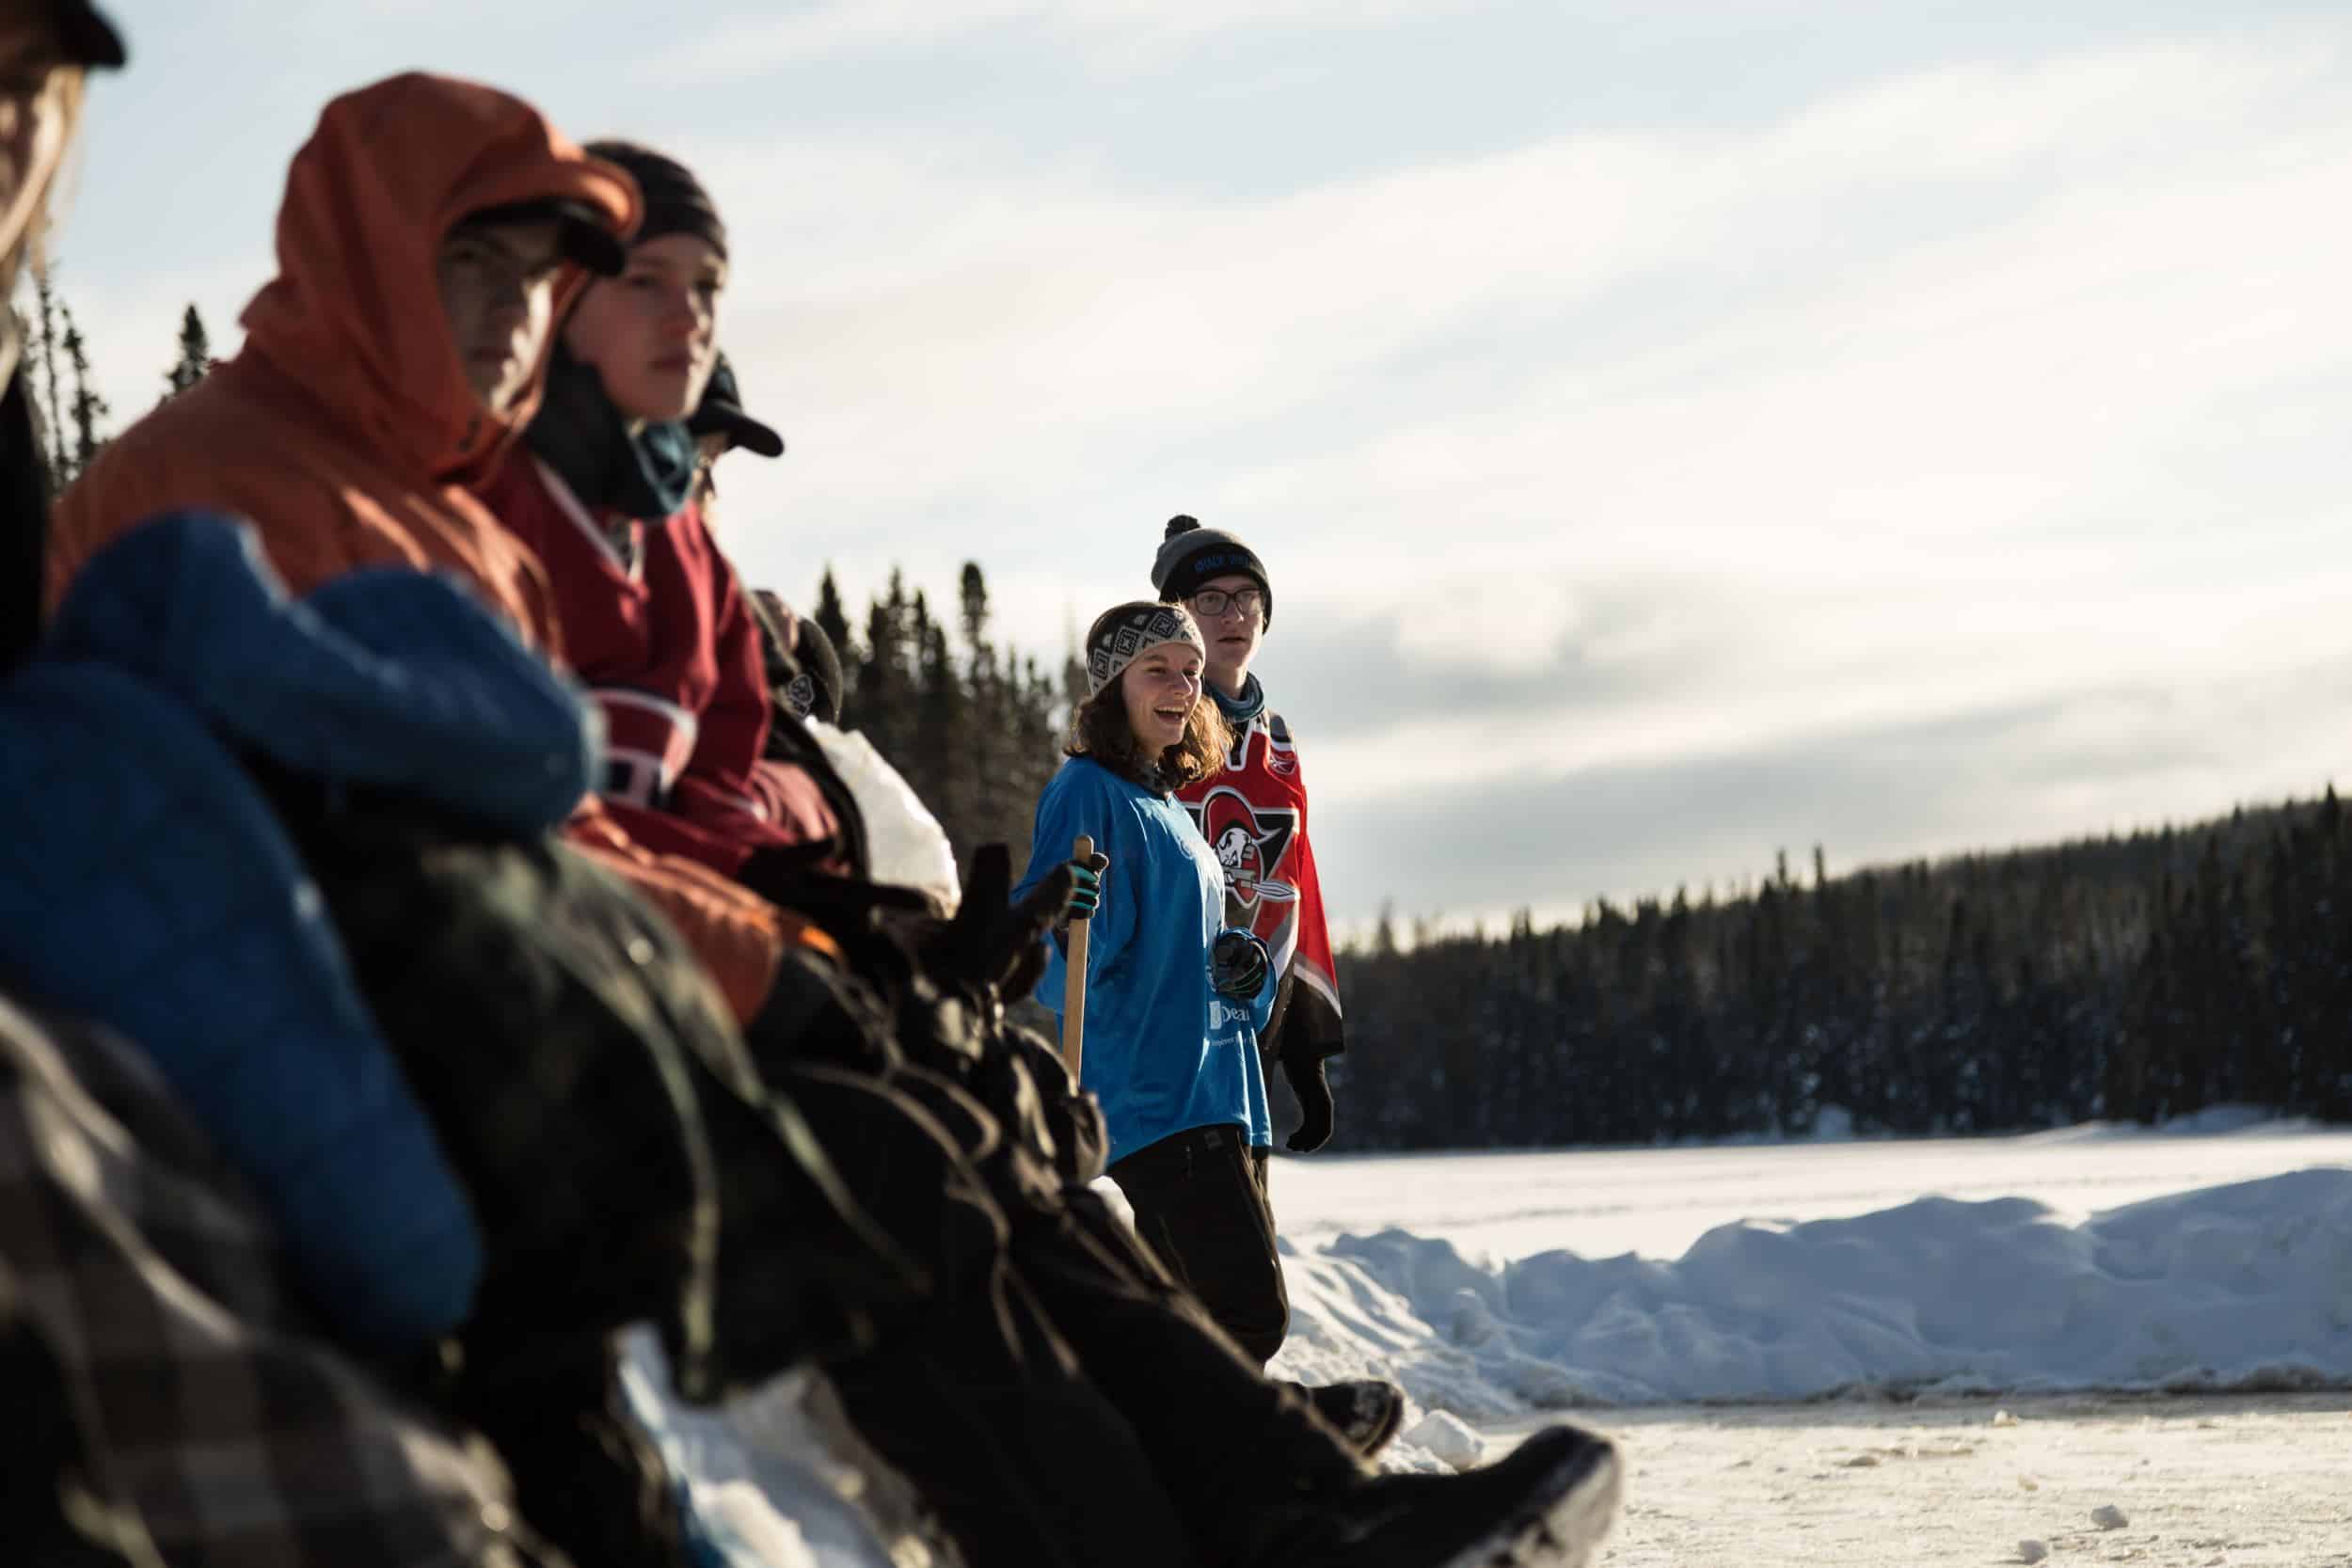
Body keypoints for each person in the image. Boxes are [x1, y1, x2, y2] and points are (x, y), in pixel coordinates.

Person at [42, 72, 792, 1026]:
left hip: (427, 970)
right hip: (209, 1012)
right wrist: (768, 969)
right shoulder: (230, 483)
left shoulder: (454, 516)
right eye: (474, 260)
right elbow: (439, 848)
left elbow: (580, 828)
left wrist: (787, 932)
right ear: (373, 255)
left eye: (535, 274)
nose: (513, 306)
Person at [475, 142, 846, 881]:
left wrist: (824, 901)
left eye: (708, 286)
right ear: (565, 297)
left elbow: (726, 783)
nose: (689, 318)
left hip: (651, 946)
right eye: (647, 282)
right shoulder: (480, 502)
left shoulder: (679, 547)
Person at [1014, 601, 1295, 1353]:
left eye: (1192, 672)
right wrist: (1063, 912)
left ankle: (1195, 1461)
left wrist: (1247, 968)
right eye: (1157, 670)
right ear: (1112, 685)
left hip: (1221, 1090)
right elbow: (1048, 962)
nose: (1181, 685)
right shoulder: (1087, 791)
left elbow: (1192, 950)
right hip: (1158, 1096)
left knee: (1211, 1326)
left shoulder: (1166, 800)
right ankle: (1226, 1462)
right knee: (1244, 1318)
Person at [1152, 515, 1346, 1154]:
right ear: (1177, 615)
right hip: (1172, 1036)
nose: (1233, 615)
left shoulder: (1277, 742)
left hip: (1256, 1026)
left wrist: (1306, 1050)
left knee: (1248, 1232)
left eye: (1247, 598)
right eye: (1210, 600)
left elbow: (1294, 885)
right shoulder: (1154, 730)